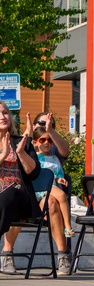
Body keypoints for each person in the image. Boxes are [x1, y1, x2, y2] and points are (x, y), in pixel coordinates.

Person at [0, 105, 40, 275]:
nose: (3, 116)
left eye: (5, 113)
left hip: (19, 199)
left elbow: (34, 173)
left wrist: (21, 153)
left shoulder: (23, 141)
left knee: (10, 191)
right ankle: (6, 254)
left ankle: (6, 254)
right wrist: (3, 155)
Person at [32, 127, 75, 239]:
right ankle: (68, 226)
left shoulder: (55, 158)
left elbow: (58, 172)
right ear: (35, 143)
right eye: (42, 140)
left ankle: (62, 229)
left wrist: (59, 178)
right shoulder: (34, 158)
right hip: (39, 188)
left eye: (50, 140)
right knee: (61, 195)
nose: (47, 142)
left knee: (56, 200)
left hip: (52, 187)